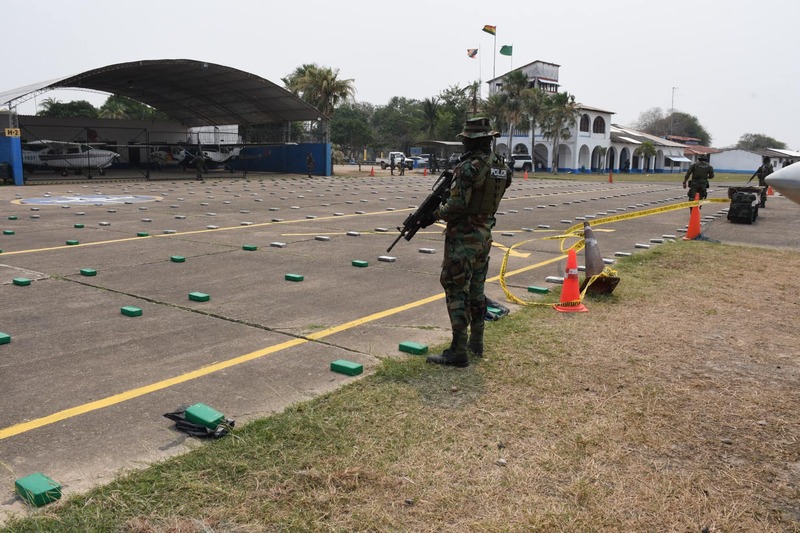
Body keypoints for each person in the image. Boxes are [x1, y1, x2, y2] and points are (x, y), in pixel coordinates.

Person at [418, 117, 512, 367]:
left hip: (463, 238)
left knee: (455, 288)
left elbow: (456, 206)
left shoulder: (469, 167)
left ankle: (458, 351)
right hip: (485, 237)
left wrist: (433, 215)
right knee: (476, 291)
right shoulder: (502, 167)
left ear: (472, 140)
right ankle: (476, 343)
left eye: (466, 140)